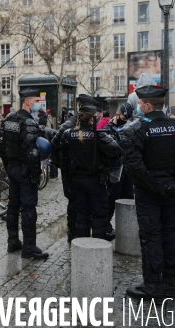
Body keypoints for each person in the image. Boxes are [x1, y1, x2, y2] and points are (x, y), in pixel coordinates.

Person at [120, 85, 175, 299]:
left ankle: (153, 284)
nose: (138, 107)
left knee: (151, 236)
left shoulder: (137, 129)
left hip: (150, 192)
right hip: (174, 191)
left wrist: (156, 186)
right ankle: (171, 280)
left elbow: (133, 165)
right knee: (171, 234)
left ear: (147, 105)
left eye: (140, 104)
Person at [0, 87, 49, 260]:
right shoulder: (27, 122)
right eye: (36, 101)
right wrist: (36, 175)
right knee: (28, 208)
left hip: (12, 168)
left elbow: (2, 146)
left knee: (13, 205)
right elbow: (32, 152)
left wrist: (8, 167)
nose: (37, 105)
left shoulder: (9, 119)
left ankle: (12, 241)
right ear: (27, 101)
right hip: (25, 170)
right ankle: (29, 247)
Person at [59, 104, 121, 240]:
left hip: (76, 181)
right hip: (95, 181)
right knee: (99, 214)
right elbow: (116, 150)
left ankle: (82, 246)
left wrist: (67, 183)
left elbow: (62, 159)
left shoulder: (68, 134)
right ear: (92, 120)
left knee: (82, 214)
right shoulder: (97, 135)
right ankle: (97, 245)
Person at [51, 94, 101, 244]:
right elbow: (54, 145)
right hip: (71, 175)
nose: (97, 115)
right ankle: (73, 237)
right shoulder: (68, 126)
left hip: (86, 175)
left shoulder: (89, 126)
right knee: (74, 207)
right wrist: (64, 166)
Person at [106, 103, 135, 238]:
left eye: (127, 118)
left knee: (128, 196)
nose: (125, 120)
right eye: (123, 117)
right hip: (114, 169)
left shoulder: (129, 128)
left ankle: (128, 226)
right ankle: (107, 225)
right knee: (111, 198)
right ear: (118, 114)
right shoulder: (107, 129)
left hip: (127, 168)